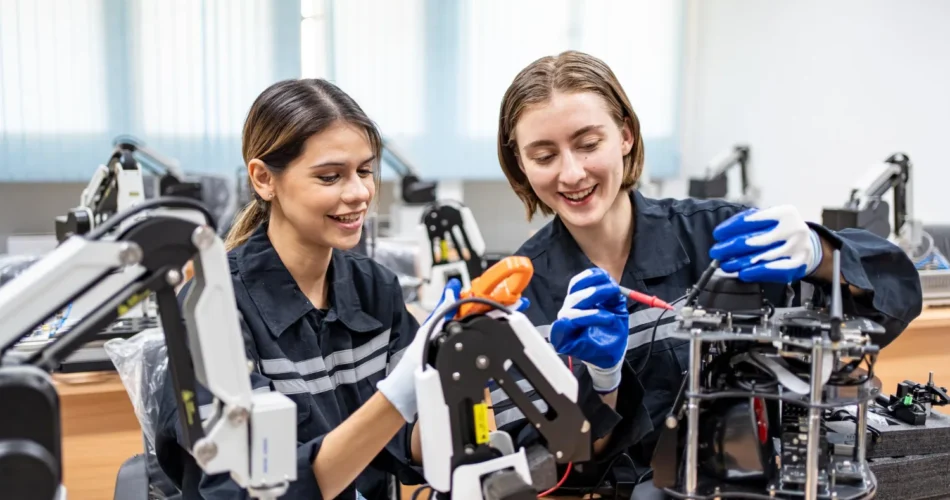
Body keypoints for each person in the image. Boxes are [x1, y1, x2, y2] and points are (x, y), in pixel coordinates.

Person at [493, 50, 923, 493]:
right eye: (544, 155)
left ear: (624, 135)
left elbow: (894, 302)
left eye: (588, 144)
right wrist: (603, 384)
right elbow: (557, 471)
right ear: (521, 165)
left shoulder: (715, 236)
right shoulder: (522, 300)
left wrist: (823, 253)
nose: (571, 172)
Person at [154, 78, 459, 500]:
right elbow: (249, 490)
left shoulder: (375, 290)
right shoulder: (215, 311)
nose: (358, 193)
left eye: (365, 171)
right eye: (330, 176)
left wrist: (458, 369)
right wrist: (396, 397)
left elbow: (409, 445)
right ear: (264, 179)